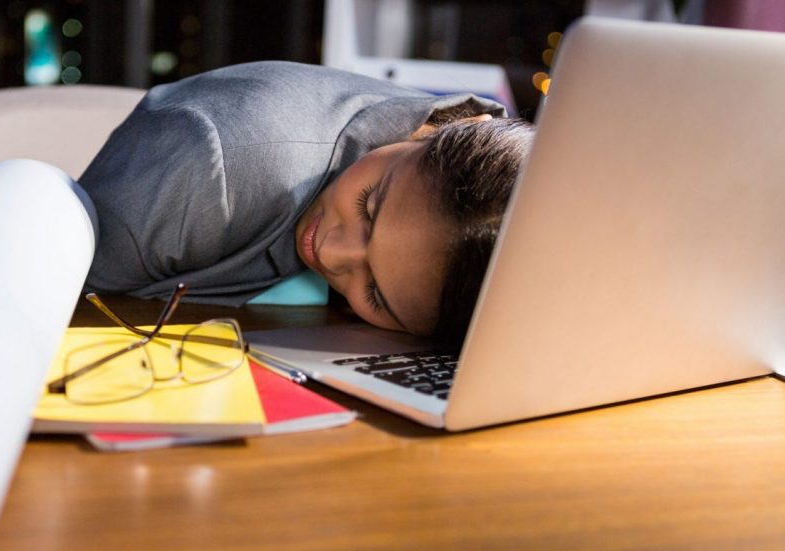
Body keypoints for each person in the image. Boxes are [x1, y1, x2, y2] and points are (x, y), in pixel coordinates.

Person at [79, 61, 534, 350]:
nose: (332, 253)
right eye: (369, 207)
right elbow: (75, 309)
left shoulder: (501, 171)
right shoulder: (207, 169)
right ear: (449, 129)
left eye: (375, 293)